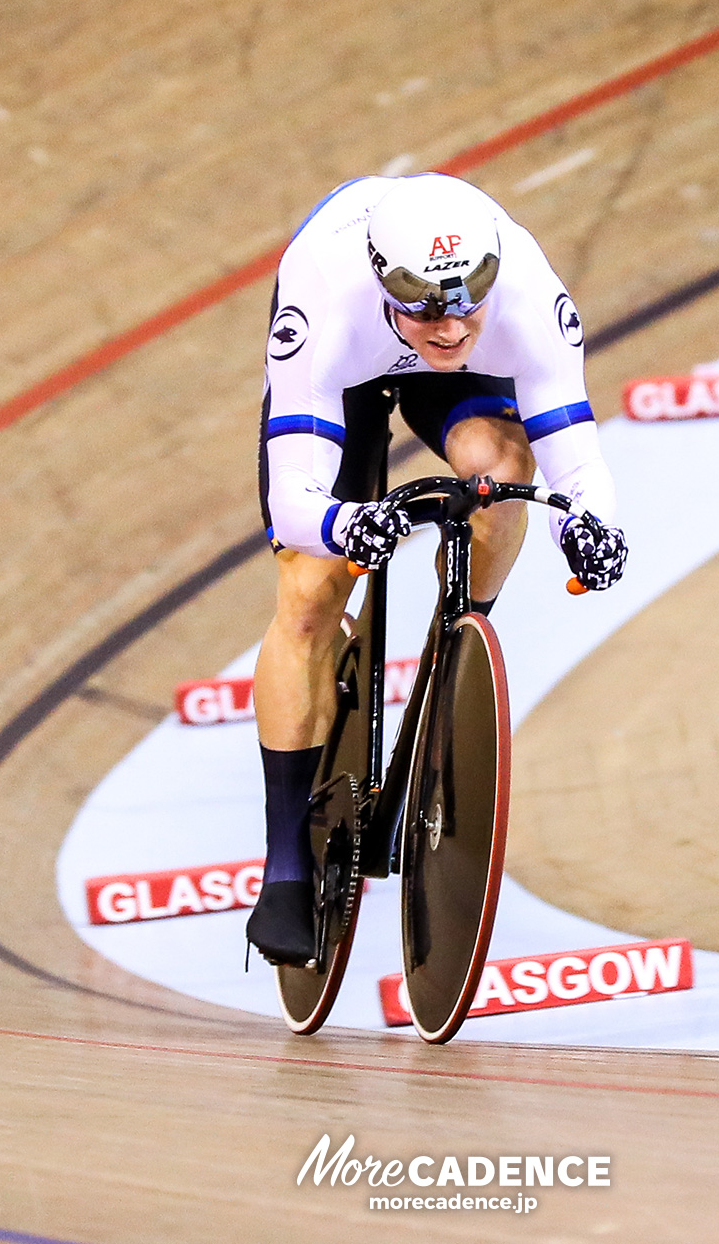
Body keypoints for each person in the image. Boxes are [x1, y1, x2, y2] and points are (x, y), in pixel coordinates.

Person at [246, 173, 628, 965]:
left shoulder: (523, 286)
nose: (451, 326)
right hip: (342, 375)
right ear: (386, 281)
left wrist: (594, 529)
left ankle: (459, 639)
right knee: (312, 589)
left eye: (467, 302)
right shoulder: (323, 296)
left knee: (501, 469)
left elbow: (572, 453)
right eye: (426, 304)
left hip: (442, 379)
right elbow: (295, 500)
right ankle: (283, 862)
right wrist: (351, 524)